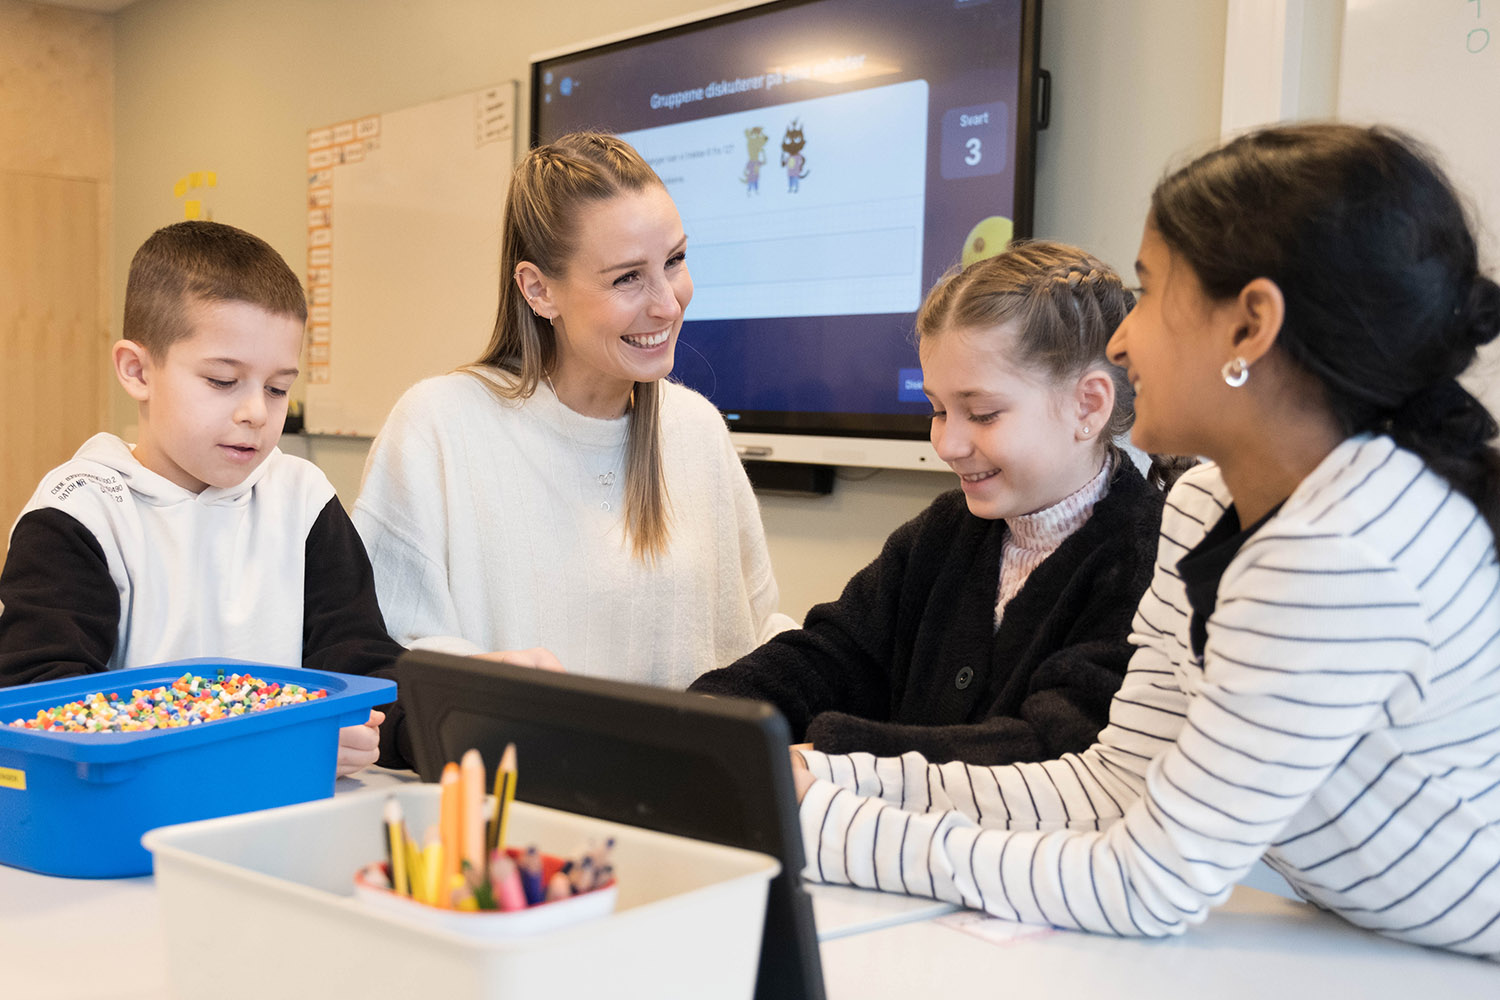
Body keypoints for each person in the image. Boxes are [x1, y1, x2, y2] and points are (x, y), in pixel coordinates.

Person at [788, 124, 1500, 958]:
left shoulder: (1346, 545)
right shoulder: (1201, 503)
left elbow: (1146, 882)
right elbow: (1112, 783)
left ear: (1251, 326)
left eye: (1152, 293)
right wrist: (834, 775)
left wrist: (824, 822)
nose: (1123, 340)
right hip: (1377, 944)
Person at [691, 242, 1169, 765]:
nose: (947, 444)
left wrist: (833, 757)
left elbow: (1056, 746)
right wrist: (718, 712)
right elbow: (836, 653)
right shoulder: (943, 531)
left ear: (1089, 404)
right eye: (938, 410)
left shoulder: (1147, 559)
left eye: (982, 413)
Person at [353, 132, 794, 688]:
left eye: (675, 260)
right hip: (508, 772)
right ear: (538, 291)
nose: (668, 303)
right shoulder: (438, 425)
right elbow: (381, 650)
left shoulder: (696, 430)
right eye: (627, 277)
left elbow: (754, 641)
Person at [0, 220, 405, 776]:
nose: (256, 413)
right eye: (221, 380)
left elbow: (360, 667)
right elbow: (43, 707)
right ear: (138, 370)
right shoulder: (79, 514)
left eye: (277, 387)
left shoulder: (302, 499)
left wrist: (447, 713)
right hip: (130, 829)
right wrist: (271, 745)